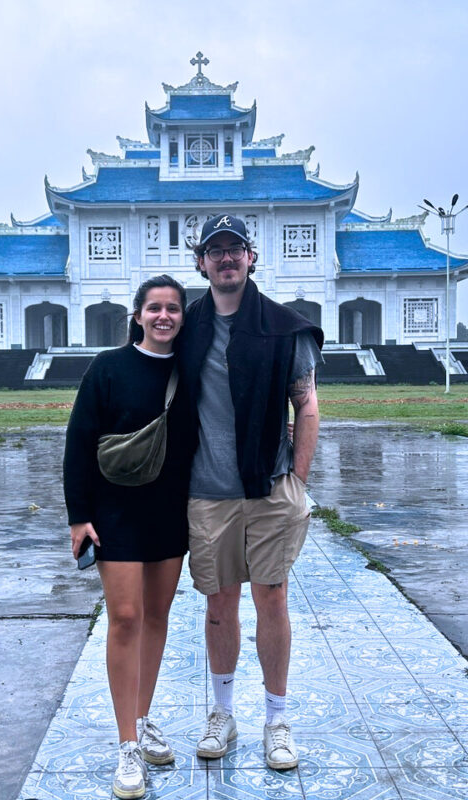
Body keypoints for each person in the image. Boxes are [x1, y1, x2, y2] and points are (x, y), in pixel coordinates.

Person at [177, 213, 323, 771]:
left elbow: (305, 405)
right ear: (201, 263)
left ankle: (277, 718)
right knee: (219, 603)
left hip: (268, 487)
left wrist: (298, 481)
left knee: (272, 598)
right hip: (208, 491)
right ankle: (222, 713)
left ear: (251, 258)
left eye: (235, 248)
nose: (226, 258)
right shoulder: (188, 328)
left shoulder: (283, 330)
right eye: (216, 250)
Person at [63, 275, 194, 800]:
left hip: (169, 513)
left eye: (174, 309)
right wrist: (79, 517)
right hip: (115, 512)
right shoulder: (108, 368)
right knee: (125, 619)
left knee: (158, 618)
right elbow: (78, 441)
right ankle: (125, 747)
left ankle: (142, 720)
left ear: (183, 317)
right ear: (137, 315)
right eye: (154, 308)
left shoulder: (191, 371)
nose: (164, 317)